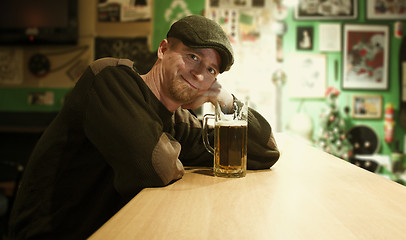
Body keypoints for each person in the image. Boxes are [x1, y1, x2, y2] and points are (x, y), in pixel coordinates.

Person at [8, 15, 280, 239]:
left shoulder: (175, 119)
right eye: (193, 57)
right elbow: (154, 168)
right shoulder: (110, 78)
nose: (200, 74)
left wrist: (225, 99)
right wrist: (176, 151)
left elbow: (265, 151)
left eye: (212, 70)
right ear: (163, 50)